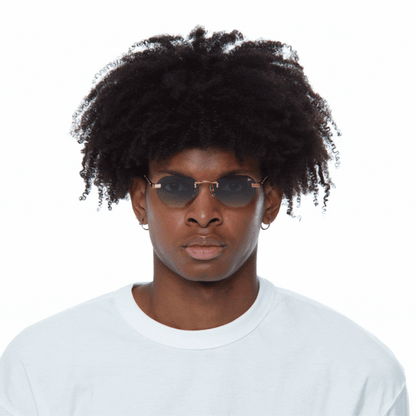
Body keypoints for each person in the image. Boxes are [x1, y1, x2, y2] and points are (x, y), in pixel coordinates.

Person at [0, 26, 409, 415]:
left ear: (269, 202)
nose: (203, 214)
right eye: (176, 187)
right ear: (140, 201)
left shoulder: (357, 373)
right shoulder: (43, 365)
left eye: (233, 187)